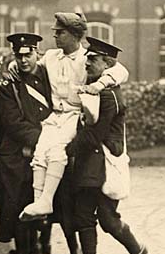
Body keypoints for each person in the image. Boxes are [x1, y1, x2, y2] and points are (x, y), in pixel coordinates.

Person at [18, 12, 128, 219]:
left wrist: (100, 84)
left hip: (74, 115)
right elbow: (31, 65)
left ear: (73, 35)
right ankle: (39, 204)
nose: (55, 37)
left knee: (57, 151)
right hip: (54, 117)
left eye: (59, 33)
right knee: (40, 153)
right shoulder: (50, 56)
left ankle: (47, 200)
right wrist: (14, 65)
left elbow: (120, 70)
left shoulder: (87, 58)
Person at [0, 33, 81, 254]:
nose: (23, 61)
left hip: (52, 145)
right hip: (21, 150)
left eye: (28, 55)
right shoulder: (9, 86)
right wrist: (39, 140)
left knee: (64, 201)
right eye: (18, 56)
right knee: (19, 201)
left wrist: (49, 140)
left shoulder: (47, 75)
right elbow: (13, 123)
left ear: (37, 54)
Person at [63, 37, 147, 254]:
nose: (87, 63)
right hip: (92, 164)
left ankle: (138, 249)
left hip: (104, 163)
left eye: (93, 59)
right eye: (87, 58)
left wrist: (67, 147)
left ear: (107, 64)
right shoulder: (97, 88)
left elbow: (93, 135)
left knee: (108, 221)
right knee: (84, 216)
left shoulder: (108, 95)